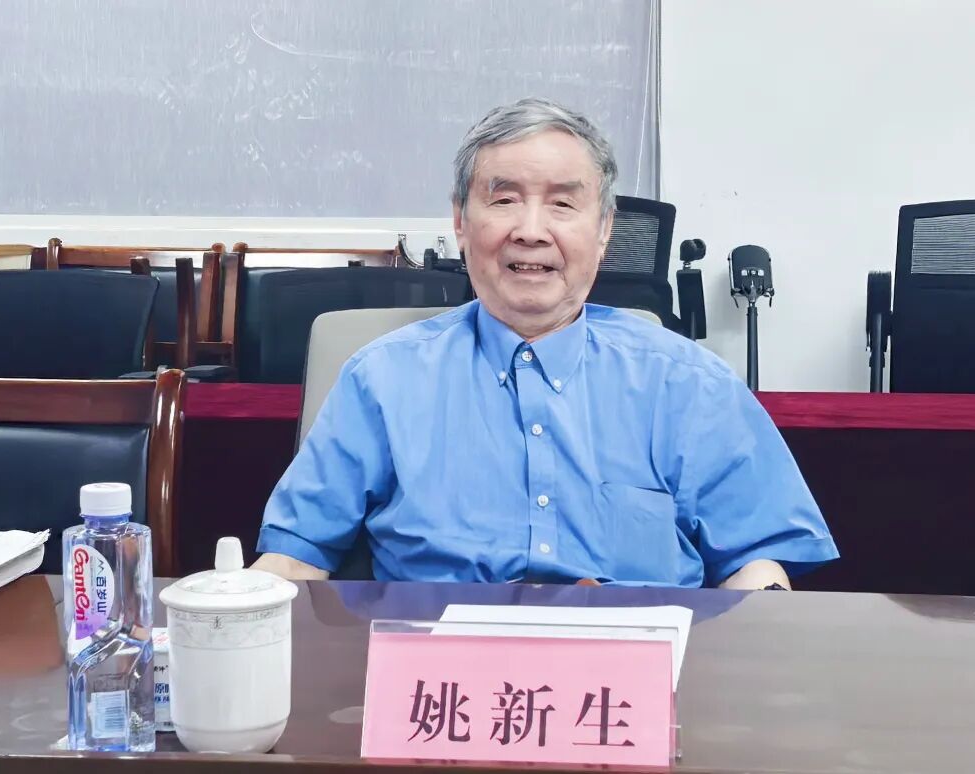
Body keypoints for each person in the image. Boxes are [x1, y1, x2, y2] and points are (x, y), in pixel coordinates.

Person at [254, 97, 838, 589]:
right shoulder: (381, 380)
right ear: (460, 221)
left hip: (633, 678)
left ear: (604, 229)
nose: (531, 231)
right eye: (504, 199)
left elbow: (759, 563)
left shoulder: (688, 383)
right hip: (441, 675)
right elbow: (294, 558)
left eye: (562, 203)